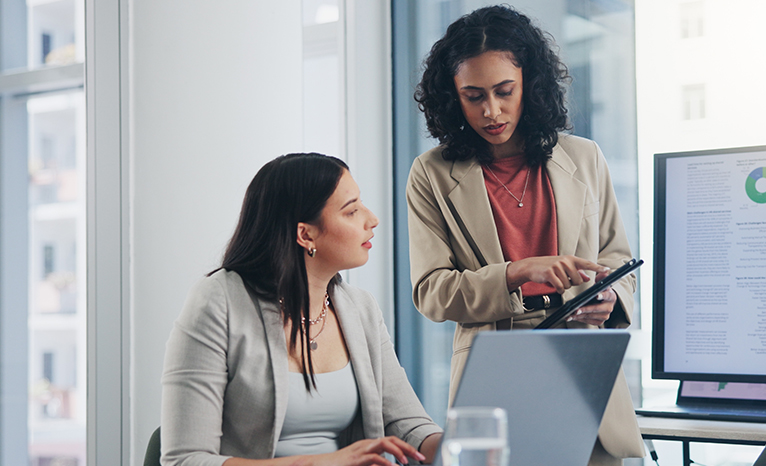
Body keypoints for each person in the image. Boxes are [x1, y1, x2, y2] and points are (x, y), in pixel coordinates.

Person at [407, 6, 644, 465]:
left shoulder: (585, 157)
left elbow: (619, 262)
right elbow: (432, 292)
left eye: (504, 91)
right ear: (452, 97)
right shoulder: (430, 174)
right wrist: (517, 273)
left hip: (581, 362)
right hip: (495, 367)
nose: (491, 111)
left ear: (529, 84)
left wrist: (611, 297)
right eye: (473, 96)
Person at [161, 153, 442, 466]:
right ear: (306, 234)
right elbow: (185, 460)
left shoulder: (360, 308)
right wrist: (321, 463)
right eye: (352, 211)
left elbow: (409, 425)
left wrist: (463, 441)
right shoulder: (219, 302)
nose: (372, 219)